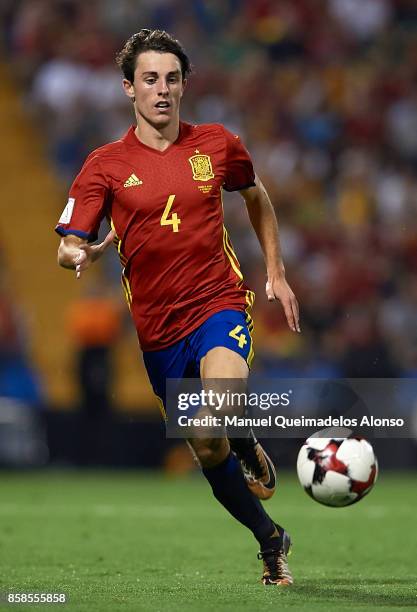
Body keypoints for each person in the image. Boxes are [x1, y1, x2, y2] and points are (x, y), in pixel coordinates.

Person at [56, 29, 300, 586]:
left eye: (171, 79)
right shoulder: (105, 164)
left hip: (218, 304)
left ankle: (241, 435)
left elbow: (256, 195)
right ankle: (270, 538)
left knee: (217, 409)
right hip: (157, 332)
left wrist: (276, 273)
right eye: (149, 79)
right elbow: (68, 238)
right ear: (128, 88)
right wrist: (76, 251)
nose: (161, 90)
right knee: (207, 443)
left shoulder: (217, 144)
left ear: (184, 85)